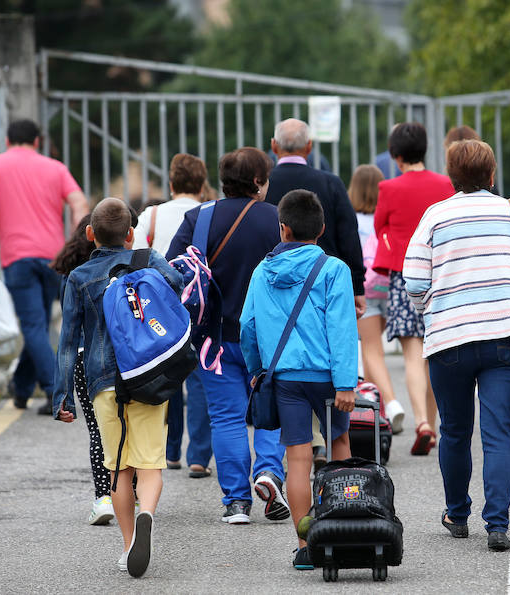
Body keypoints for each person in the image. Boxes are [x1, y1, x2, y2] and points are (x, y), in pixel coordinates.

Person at [403, 139, 510, 551]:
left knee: (453, 430)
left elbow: (414, 281)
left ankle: (457, 512)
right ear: (492, 174)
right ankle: (499, 524)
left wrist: (431, 308)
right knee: (499, 431)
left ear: (452, 177)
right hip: (507, 337)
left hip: (449, 339)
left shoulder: (436, 216)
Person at [54, 197, 184, 577]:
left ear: (90, 234)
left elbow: (67, 341)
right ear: (130, 234)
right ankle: (148, 513)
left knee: (119, 468)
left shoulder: (78, 278)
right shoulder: (147, 259)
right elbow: (177, 284)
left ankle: (129, 545)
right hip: (147, 374)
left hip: (102, 381)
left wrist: (62, 394)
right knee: (151, 463)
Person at [165, 147, 289, 526]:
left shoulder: (199, 218)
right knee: (271, 410)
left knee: (226, 417)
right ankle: (268, 472)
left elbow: (172, 271)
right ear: (257, 182)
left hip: (212, 338)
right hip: (269, 337)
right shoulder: (277, 220)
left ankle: (236, 502)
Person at [240, 189, 357, 570]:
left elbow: (248, 326)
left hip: (285, 377)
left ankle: (306, 545)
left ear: (283, 229)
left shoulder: (262, 271)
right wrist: (345, 383)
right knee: (339, 443)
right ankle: (343, 530)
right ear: (322, 229)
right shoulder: (334, 269)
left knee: (298, 458)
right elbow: (341, 328)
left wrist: (258, 370)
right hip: (327, 377)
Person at [264, 118, 366, 468]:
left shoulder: (264, 186)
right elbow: (349, 235)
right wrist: (358, 286)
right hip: (327, 285)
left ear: (274, 147)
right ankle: (342, 499)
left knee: (295, 443)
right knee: (338, 431)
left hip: (276, 302)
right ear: (310, 148)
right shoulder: (330, 183)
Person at [0, 119, 89, 415]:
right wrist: (80, 241)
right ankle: (22, 390)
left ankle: (57, 395)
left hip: (18, 258)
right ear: (37, 141)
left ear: (7, 139)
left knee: (34, 324)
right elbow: (79, 203)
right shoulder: (56, 167)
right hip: (55, 258)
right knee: (36, 323)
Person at [374, 122, 454, 456]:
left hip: (405, 276)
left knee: (412, 354)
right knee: (436, 353)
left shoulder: (389, 188)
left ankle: (421, 421)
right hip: (443, 275)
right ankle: (432, 427)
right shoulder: (446, 184)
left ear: (395, 155)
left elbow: (380, 227)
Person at [133, 153, 213, 478]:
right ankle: (198, 456)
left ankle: (170, 450)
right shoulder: (209, 213)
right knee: (198, 379)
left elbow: (135, 258)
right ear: (202, 183)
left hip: (161, 307)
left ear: (170, 183)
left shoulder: (151, 215)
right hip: (199, 303)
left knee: (167, 375)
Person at [51, 214, 115, 526]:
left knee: (97, 430)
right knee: (127, 426)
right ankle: (133, 493)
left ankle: (103, 498)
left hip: (83, 360)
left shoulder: (72, 275)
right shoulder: (127, 268)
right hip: (124, 359)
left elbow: (67, 337)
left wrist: (61, 393)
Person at [348, 164, 405, 433]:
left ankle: (392, 404)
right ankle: (375, 416)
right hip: (389, 285)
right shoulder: (388, 218)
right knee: (375, 352)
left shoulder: (352, 221)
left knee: (371, 351)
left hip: (365, 289)